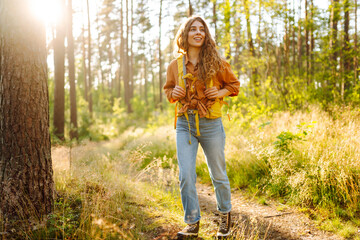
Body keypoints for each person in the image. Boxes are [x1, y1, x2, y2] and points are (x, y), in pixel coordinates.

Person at [163, 15, 240, 238]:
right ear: (185, 34)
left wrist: (220, 92)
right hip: (185, 124)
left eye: (202, 29)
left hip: (211, 124)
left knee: (218, 174)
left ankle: (225, 218)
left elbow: (233, 85)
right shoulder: (174, 65)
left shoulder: (217, 62)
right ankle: (192, 223)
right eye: (193, 29)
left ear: (205, 35)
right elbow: (168, 90)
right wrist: (174, 93)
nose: (198, 33)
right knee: (186, 175)